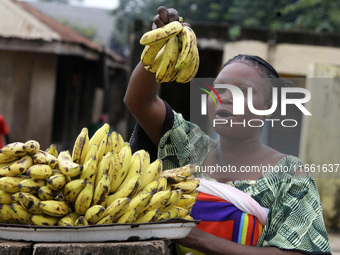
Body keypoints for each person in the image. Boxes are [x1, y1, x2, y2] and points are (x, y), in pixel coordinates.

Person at [124, 7, 332, 255]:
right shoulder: (188, 145)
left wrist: (198, 239)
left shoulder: (290, 176)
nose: (225, 97)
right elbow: (140, 102)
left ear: (269, 107)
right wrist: (160, 45)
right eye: (219, 89)